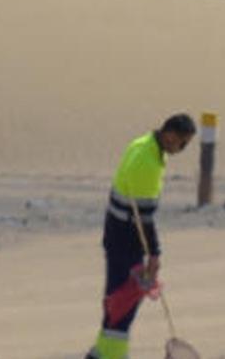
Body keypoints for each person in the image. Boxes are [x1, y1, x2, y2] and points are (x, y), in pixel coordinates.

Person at [86, 113, 196, 359]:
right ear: (169, 135)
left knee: (116, 303)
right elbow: (144, 220)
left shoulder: (143, 143)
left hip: (116, 235)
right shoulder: (147, 164)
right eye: (182, 142)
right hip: (126, 242)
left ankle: (99, 355)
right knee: (122, 307)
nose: (183, 148)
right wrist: (155, 255)